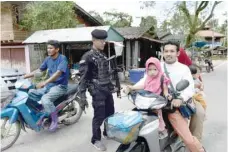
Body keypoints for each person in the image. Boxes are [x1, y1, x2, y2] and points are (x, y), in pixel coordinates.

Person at [133, 41, 205, 152]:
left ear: (177, 53)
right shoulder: (157, 66)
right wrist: (130, 88)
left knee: (190, 136)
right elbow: (145, 80)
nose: (168, 54)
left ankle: (198, 148)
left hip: (172, 105)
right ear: (162, 53)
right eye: (166, 51)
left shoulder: (183, 68)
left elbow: (189, 88)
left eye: (172, 51)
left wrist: (180, 99)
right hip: (154, 104)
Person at [78, 29, 115, 151]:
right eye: (101, 41)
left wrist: (112, 86)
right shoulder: (87, 57)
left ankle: (107, 132)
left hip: (107, 90)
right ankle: (96, 139)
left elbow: (106, 73)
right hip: (97, 90)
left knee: (110, 113)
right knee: (99, 116)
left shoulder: (102, 55)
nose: (103, 43)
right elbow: (82, 78)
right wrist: (82, 97)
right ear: (93, 40)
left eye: (104, 40)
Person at [24, 40, 69, 132]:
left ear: (57, 49)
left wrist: (45, 82)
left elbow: (58, 73)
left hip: (60, 86)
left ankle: (54, 120)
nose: (48, 50)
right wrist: (25, 76)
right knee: (28, 95)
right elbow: (40, 70)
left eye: (51, 48)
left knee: (45, 99)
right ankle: (40, 112)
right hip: (50, 85)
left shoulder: (62, 58)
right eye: (48, 48)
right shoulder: (48, 59)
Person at [125, 57, 171, 138]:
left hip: (156, 102)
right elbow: (143, 86)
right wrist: (132, 88)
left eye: (154, 69)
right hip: (146, 101)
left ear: (158, 69)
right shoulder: (147, 78)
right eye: (149, 70)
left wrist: (167, 95)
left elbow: (165, 90)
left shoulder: (162, 78)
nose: (152, 72)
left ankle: (161, 131)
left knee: (158, 117)